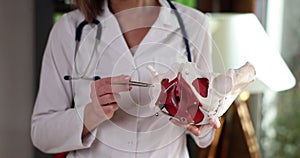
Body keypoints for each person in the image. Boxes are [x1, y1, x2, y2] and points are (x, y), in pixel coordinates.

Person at [31, 0, 220, 157]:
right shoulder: (70, 29)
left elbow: (206, 132)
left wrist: (201, 123)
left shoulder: (193, 25)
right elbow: (42, 134)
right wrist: (91, 114)